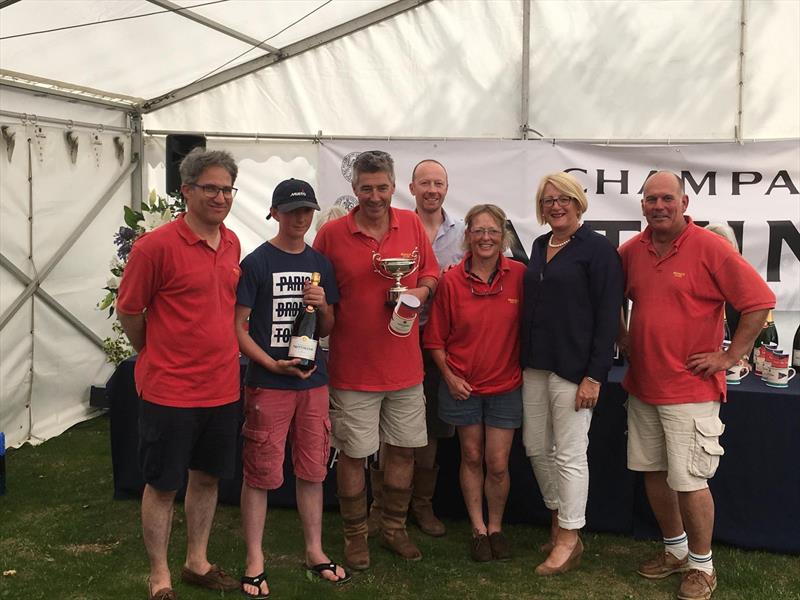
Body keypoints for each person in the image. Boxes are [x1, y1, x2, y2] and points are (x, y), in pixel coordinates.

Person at [618, 171, 775, 600]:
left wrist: (729, 357)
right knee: (653, 472)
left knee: (689, 481)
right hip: (643, 386)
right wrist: (622, 334)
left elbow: (759, 301)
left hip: (690, 390)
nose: (659, 206)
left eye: (667, 198)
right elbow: (611, 296)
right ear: (642, 205)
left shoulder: (710, 248)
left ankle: (702, 567)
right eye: (651, 200)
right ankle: (674, 550)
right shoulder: (632, 251)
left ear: (684, 203)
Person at [116, 148, 242, 600]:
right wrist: (152, 351)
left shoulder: (231, 242)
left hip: (223, 387)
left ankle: (197, 561)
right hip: (170, 390)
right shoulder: (154, 247)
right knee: (164, 484)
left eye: (227, 188)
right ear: (186, 190)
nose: (220, 196)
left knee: (207, 478)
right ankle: (159, 578)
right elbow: (130, 310)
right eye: (210, 187)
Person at [313, 150, 439, 570]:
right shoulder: (331, 235)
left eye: (382, 187)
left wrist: (419, 294)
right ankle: (355, 536)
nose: (374, 196)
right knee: (353, 455)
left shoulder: (412, 225)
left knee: (402, 453)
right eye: (366, 188)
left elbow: (430, 274)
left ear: (393, 186)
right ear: (354, 189)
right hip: (353, 369)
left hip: (405, 368)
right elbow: (319, 294)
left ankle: (393, 528)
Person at [235, 179, 347, 598]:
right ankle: (254, 558)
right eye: (291, 211)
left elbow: (331, 328)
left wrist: (322, 306)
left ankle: (315, 550)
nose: (300, 219)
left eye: (306, 211)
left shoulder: (322, 263)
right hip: (269, 383)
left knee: (313, 470)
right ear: (274, 213)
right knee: (261, 474)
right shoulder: (257, 262)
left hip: (313, 381)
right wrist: (268, 363)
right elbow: (238, 328)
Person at [520, 172, 624, 575]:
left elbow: (607, 318)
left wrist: (595, 376)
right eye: (548, 200)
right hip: (535, 364)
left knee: (569, 453)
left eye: (564, 198)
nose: (556, 206)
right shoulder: (539, 244)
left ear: (579, 202)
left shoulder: (598, 250)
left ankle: (568, 537)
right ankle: (559, 517)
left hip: (574, 369)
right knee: (534, 446)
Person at [368, 159, 463, 539]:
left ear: (446, 187)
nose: (432, 189)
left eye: (438, 183)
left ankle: (420, 505)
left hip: (439, 344)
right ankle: (383, 507)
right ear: (411, 187)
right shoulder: (396, 228)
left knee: (432, 430)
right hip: (393, 339)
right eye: (425, 183)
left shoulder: (463, 233)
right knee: (388, 428)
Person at [424, 204, 525, 562]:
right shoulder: (451, 280)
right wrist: (450, 378)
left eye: (492, 231)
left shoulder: (520, 276)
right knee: (471, 456)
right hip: (462, 386)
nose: (485, 238)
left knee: (497, 463)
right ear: (467, 236)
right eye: (478, 231)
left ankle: (496, 527)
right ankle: (478, 530)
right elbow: (434, 339)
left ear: (503, 237)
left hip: (505, 386)